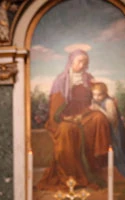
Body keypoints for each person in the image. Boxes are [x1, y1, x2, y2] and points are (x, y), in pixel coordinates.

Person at [38, 49, 112, 190]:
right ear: (71, 62)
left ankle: (95, 163)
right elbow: (56, 105)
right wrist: (67, 117)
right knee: (67, 130)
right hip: (65, 117)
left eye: (85, 62)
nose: (83, 64)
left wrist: (88, 111)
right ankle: (72, 175)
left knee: (99, 118)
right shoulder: (62, 80)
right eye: (80, 61)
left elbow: (97, 96)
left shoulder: (88, 78)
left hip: (85, 114)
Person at [90, 81, 125, 179]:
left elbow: (112, 119)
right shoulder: (96, 102)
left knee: (117, 152)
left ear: (105, 93)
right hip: (105, 129)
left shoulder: (109, 102)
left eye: (99, 95)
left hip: (114, 131)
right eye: (94, 95)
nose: (96, 97)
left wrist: (99, 109)